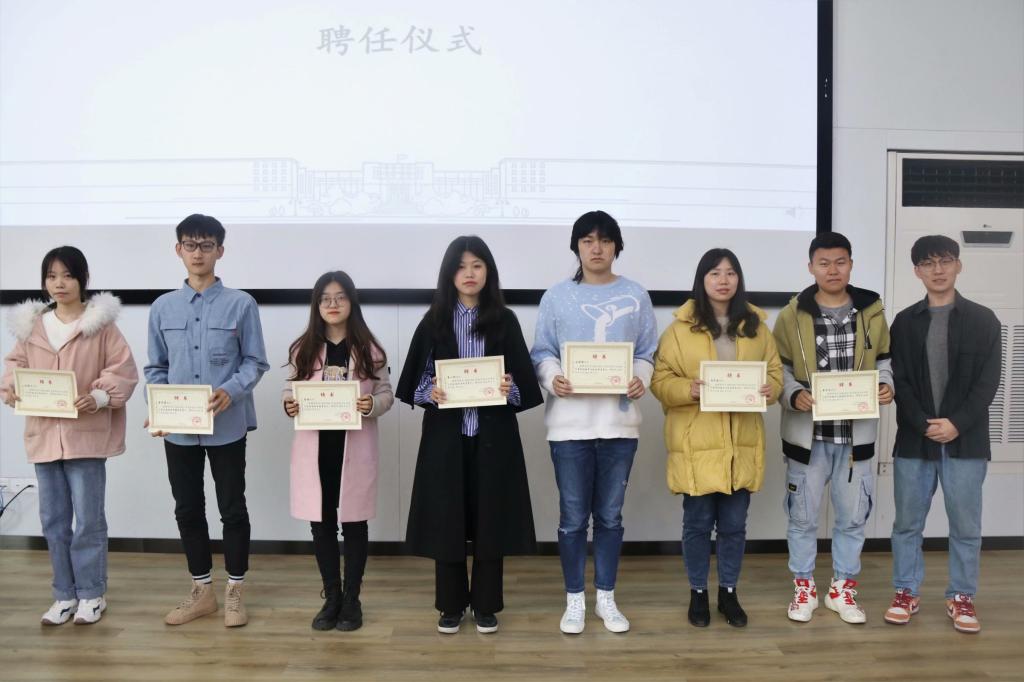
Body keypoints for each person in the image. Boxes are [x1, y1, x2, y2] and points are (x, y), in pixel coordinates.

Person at [396, 236, 541, 635]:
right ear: (449, 274)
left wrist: (508, 386)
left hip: (494, 437)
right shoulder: (434, 320)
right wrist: (431, 392)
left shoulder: (505, 320)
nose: (469, 273)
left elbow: (524, 387)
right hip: (446, 438)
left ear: (488, 271)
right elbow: (413, 383)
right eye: (461, 267)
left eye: (477, 265)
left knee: (492, 518)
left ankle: (487, 605)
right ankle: (450, 605)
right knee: (447, 518)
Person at [531, 210, 658, 634]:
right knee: (572, 519)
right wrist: (553, 377)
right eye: (587, 240)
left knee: (609, 518)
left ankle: (605, 596)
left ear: (616, 246)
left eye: (604, 240)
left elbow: (646, 352)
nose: (596, 248)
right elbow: (542, 351)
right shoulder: (556, 297)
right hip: (569, 426)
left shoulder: (635, 295)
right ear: (577, 247)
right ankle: (574, 600)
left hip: (619, 425)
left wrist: (640, 379)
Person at [2, 246, 138, 625]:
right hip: (44, 436)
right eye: (51, 276)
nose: (59, 284)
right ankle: (64, 595)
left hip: (85, 438)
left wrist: (98, 396)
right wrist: (11, 388)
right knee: (54, 521)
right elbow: (14, 367)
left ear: (83, 279)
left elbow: (123, 370)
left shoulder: (101, 326)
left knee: (89, 521)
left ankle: (92, 594)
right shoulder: (32, 327)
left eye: (67, 275)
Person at [144, 214, 269, 627]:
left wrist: (231, 390)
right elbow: (156, 368)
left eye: (206, 245)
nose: (198, 253)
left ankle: (235, 591)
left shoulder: (241, 304)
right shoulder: (162, 307)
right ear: (178, 250)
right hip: (178, 430)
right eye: (190, 245)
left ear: (220, 250)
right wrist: (158, 406)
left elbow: (255, 362)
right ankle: (202, 591)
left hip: (226, 426)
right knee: (187, 508)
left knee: (232, 507)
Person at [651, 248, 782, 628]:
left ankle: (728, 592)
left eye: (730, 273)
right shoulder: (679, 330)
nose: (723, 280)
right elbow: (660, 381)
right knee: (696, 525)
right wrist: (687, 389)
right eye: (714, 273)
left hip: (741, 444)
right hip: (696, 444)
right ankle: (697, 593)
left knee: (734, 526)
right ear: (702, 280)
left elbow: (775, 375)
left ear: (739, 279)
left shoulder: (757, 327)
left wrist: (770, 390)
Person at [772, 231, 894, 624]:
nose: (832, 270)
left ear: (851, 265)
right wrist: (793, 394)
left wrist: (886, 384)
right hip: (808, 437)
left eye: (840, 262)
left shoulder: (871, 310)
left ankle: (842, 589)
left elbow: (885, 359)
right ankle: (804, 587)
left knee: (853, 518)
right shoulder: (792, 314)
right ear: (811, 267)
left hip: (856, 436)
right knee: (802, 517)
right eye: (824, 263)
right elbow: (779, 368)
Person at [885, 235, 1001, 634]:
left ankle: (962, 596)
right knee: (906, 524)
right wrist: (923, 424)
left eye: (945, 261)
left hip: (966, 441)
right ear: (916, 271)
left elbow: (988, 383)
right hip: (914, 440)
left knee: (966, 526)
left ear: (958, 265)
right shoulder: (904, 322)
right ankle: (905, 591)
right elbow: (900, 380)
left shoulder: (984, 320)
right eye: (928, 263)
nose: (938, 270)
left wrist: (956, 423)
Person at [282, 271, 394, 632]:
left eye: (340, 297)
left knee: (355, 523)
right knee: (322, 523)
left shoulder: (370, 349)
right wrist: (289, 404)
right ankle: (331, 596)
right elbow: (290, 390)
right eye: (325, 298)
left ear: (351, 302)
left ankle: (352, 599)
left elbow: (386, 393)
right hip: (316, 450)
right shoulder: (303, 348)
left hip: (354, 448)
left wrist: (371, 405)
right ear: (317, 305)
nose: (333, 304)